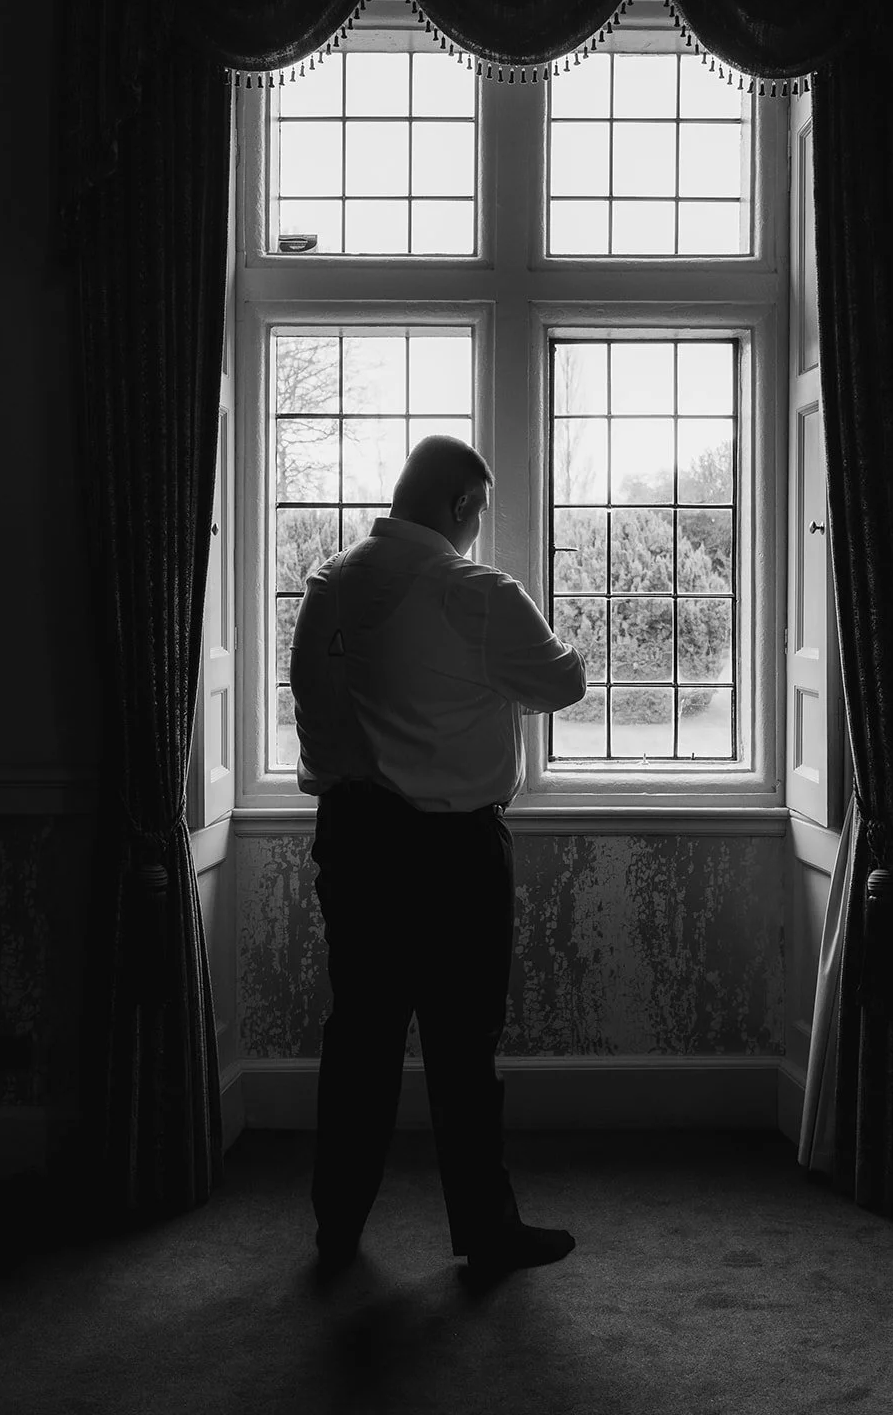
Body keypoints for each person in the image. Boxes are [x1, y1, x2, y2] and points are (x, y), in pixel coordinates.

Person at [290, 433, 587, 1277]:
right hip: (451, 850)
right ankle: (484, 1231)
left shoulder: (326, 586)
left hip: (352, 840)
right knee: (462, 1044)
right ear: (462, 505)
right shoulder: (478, 593)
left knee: (360, 1038)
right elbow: (560, 683)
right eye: (480, 511)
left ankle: (336, 1223)